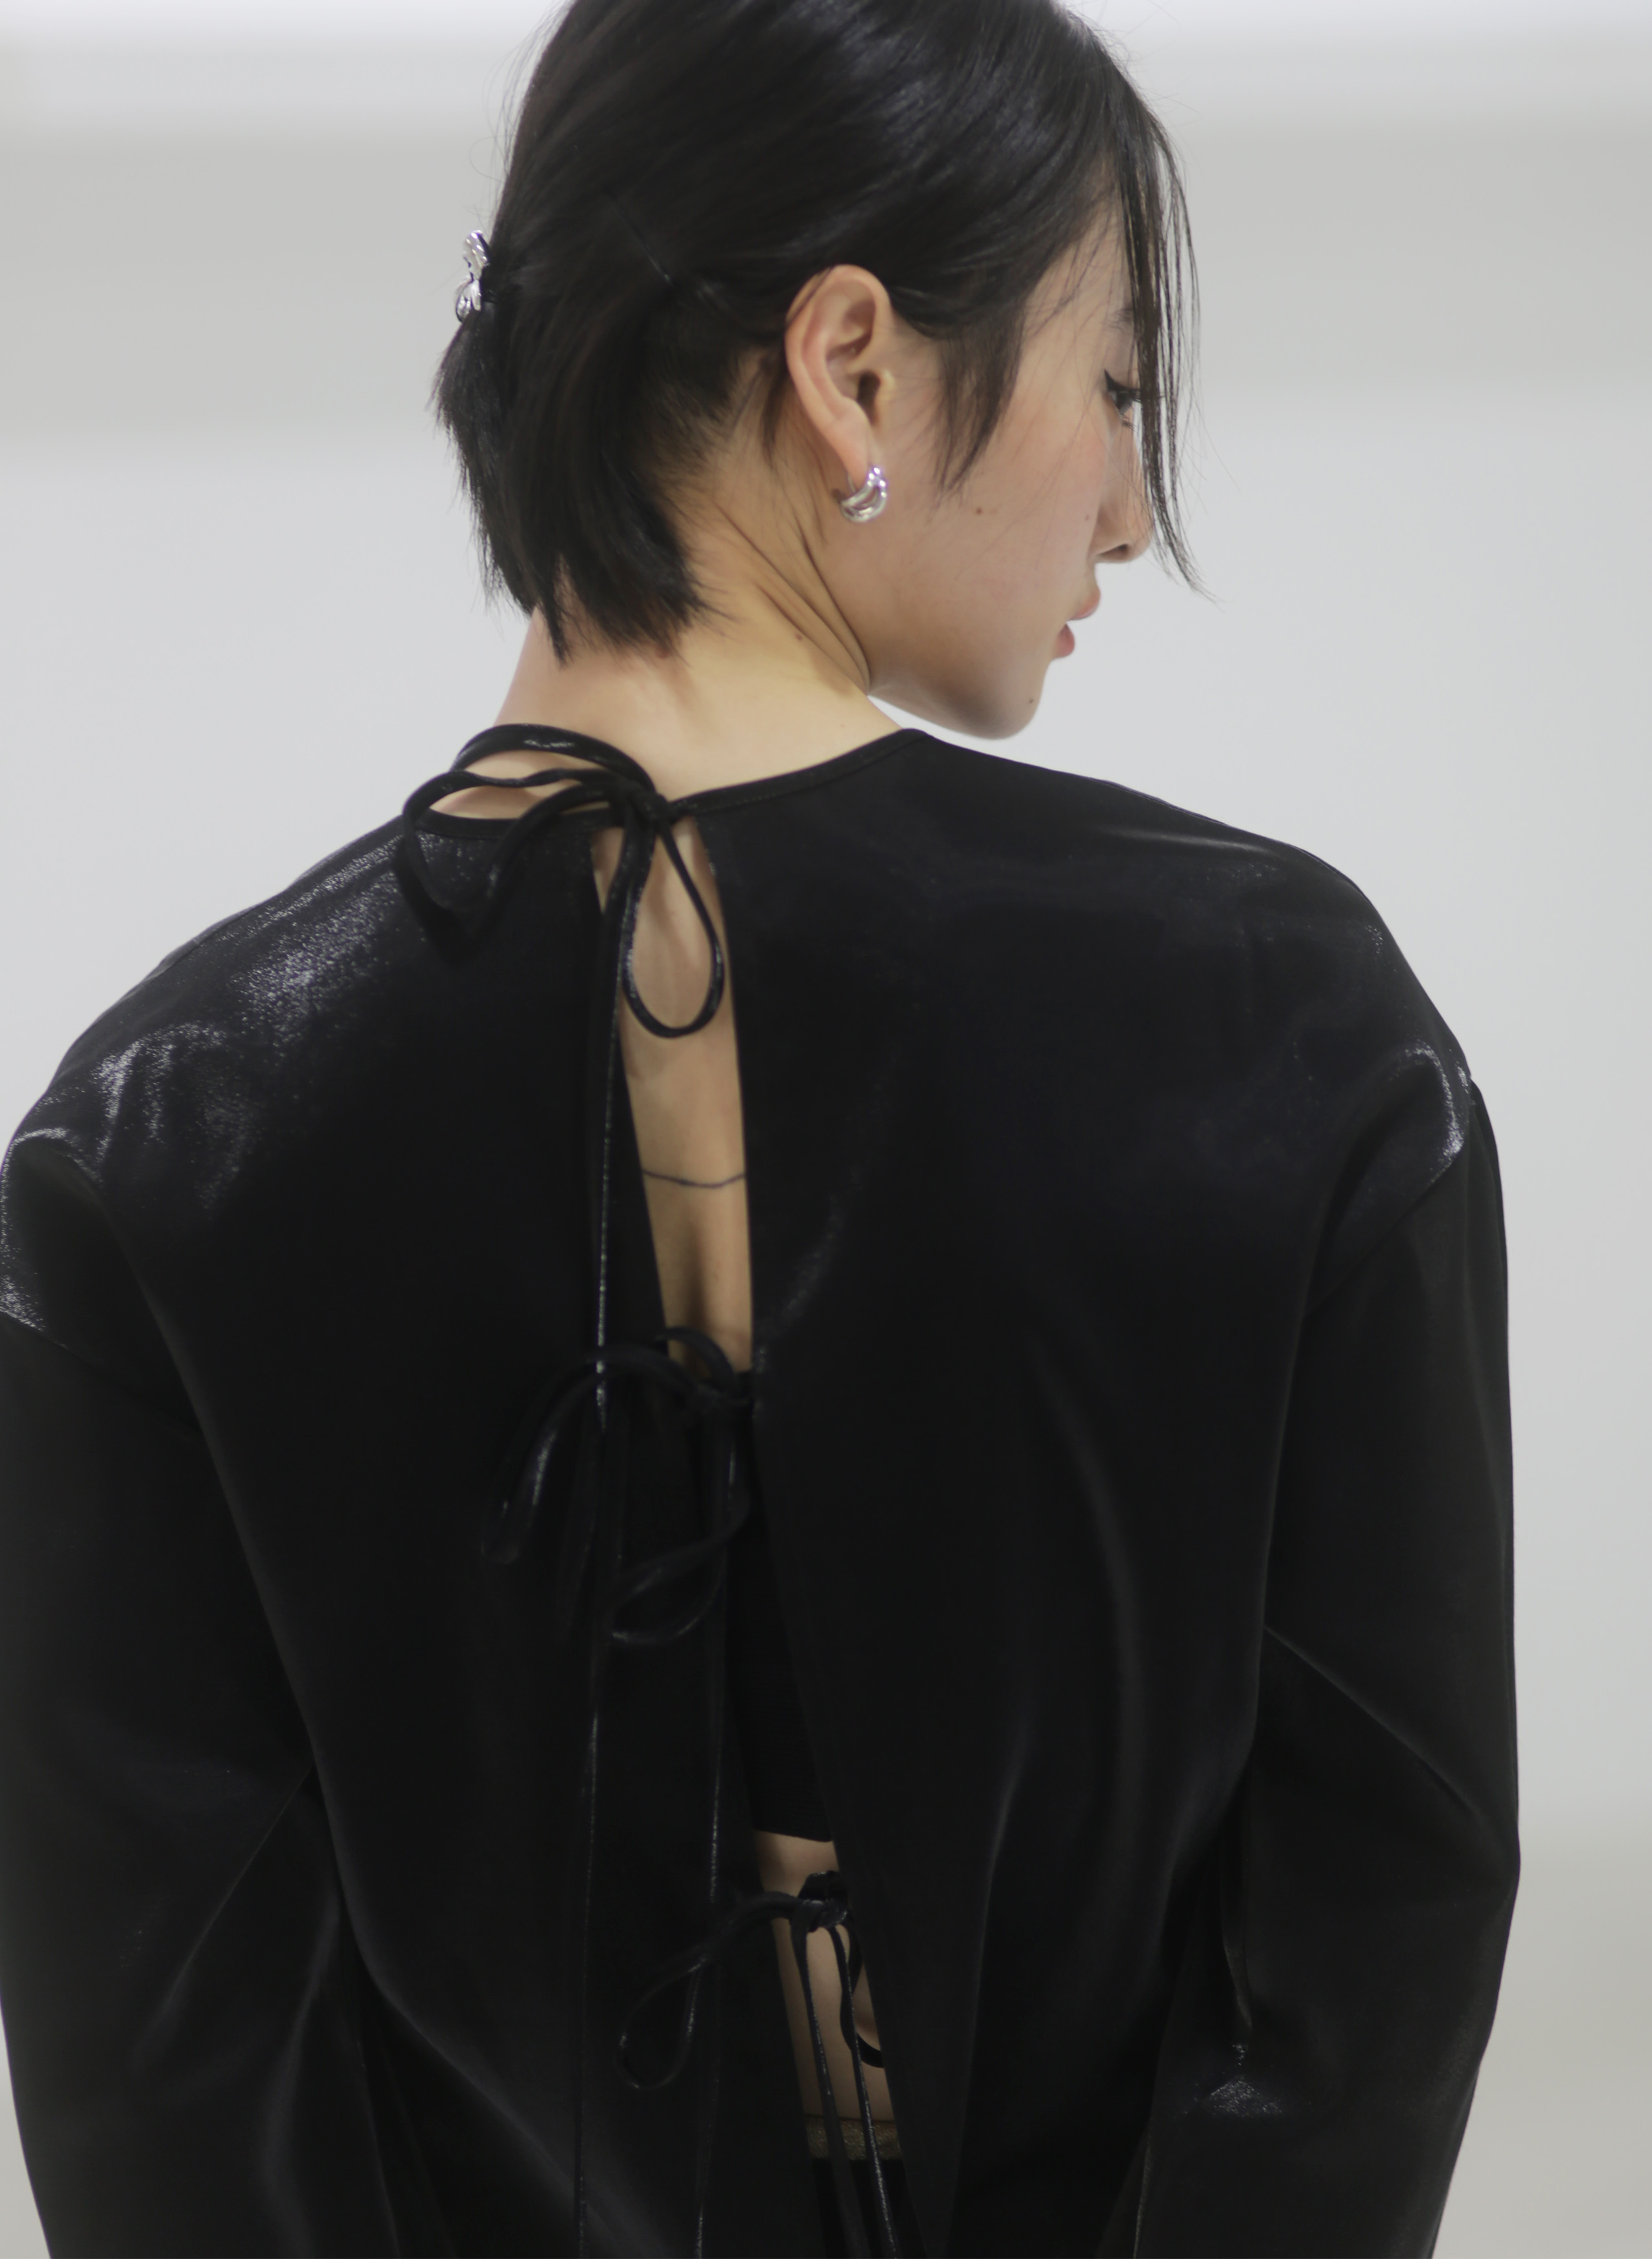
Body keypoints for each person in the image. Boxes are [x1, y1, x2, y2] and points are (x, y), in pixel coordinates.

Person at [0, 1, 1518, 2253]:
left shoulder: (157, 1144)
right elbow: (1370, 1949)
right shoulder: (1289, 1028)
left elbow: (172, 2113)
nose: (1127, 504)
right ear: (852, 367)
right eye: (1118, 387)